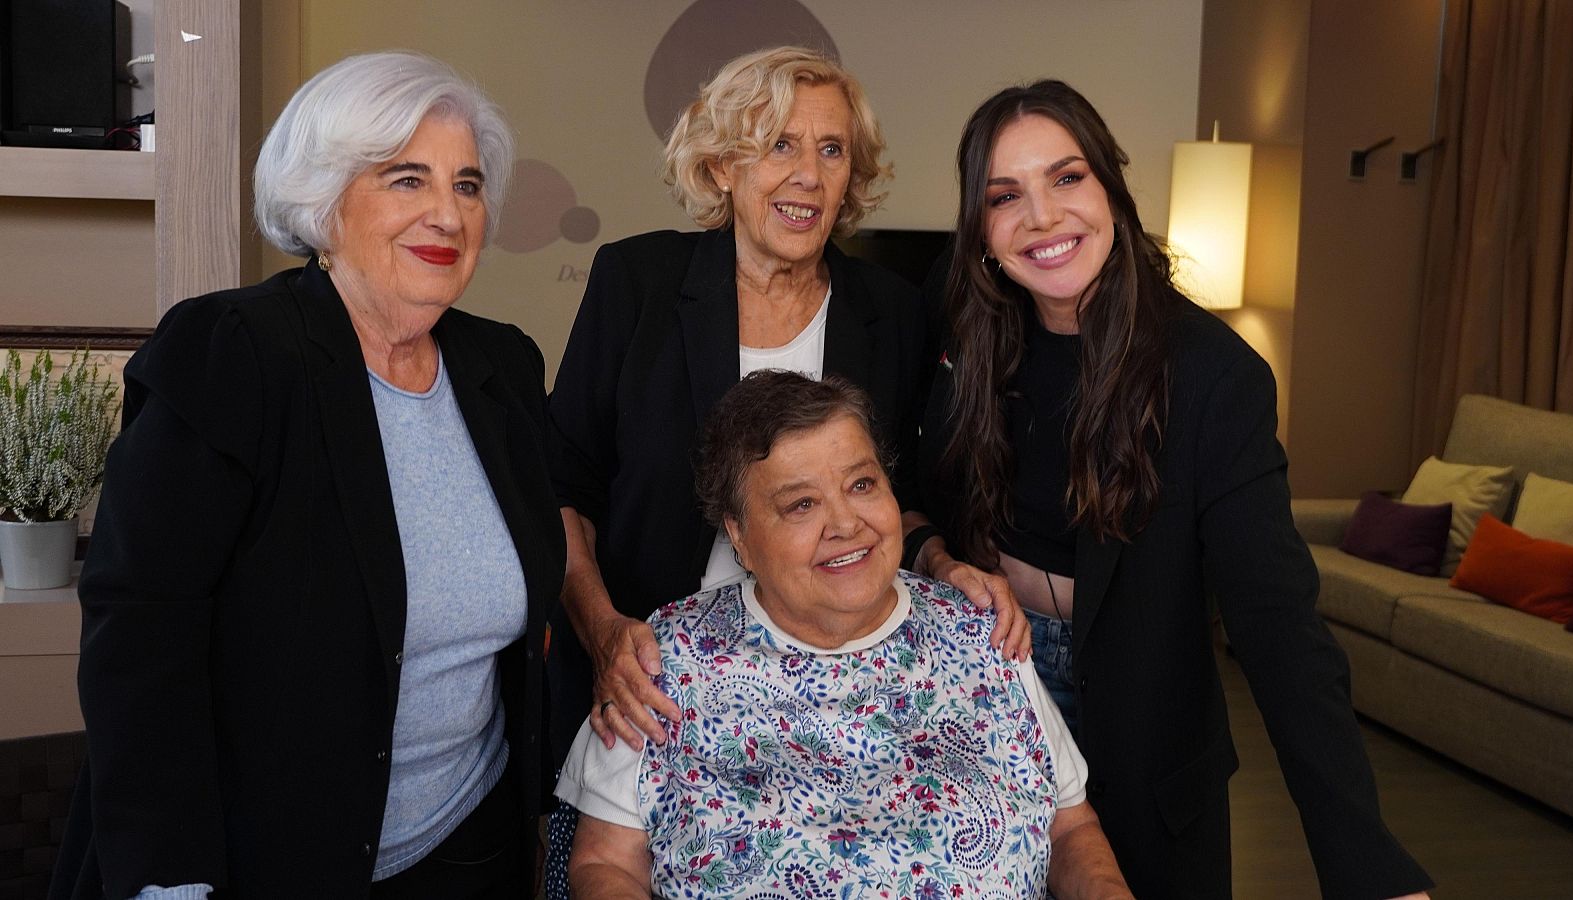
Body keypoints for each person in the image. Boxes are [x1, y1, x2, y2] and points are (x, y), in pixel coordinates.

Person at [51, 52, 563, 899]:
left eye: (467, 185)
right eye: (406, 179)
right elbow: (142, 641)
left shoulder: (502, 366)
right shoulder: (232, 353)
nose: (446, 213)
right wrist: (171, 883)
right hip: (255, 861)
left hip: (469, 847)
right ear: (324, 201)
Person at [912, 80, 1434, 898]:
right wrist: (940, 560)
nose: (1042, 217)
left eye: (1067, 178)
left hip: (1147, 730)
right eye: (1004, 196)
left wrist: (1367, 865)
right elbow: (910, 501)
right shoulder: (963, 335)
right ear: (981, 234)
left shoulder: (1213, 377)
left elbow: (1279, 629)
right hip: (986, 706)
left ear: (1114, 191)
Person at [543, 47, 1029, 892]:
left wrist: (946, 562)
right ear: (723, 164)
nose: (807, 174)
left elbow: (898, 498)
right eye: (777, 145)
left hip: (823, 703)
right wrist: (601, 629)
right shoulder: (639, 283)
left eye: (831, 150)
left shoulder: (890, 313)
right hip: (651, 689)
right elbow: (562, 490)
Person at [556, 370, 1131, 898]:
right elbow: (605, 864)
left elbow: (1071, 825)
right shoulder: (667, 657)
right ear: (740, 535)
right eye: (801, 504)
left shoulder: (983, 630)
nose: (846, 523)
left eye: (861, 485)